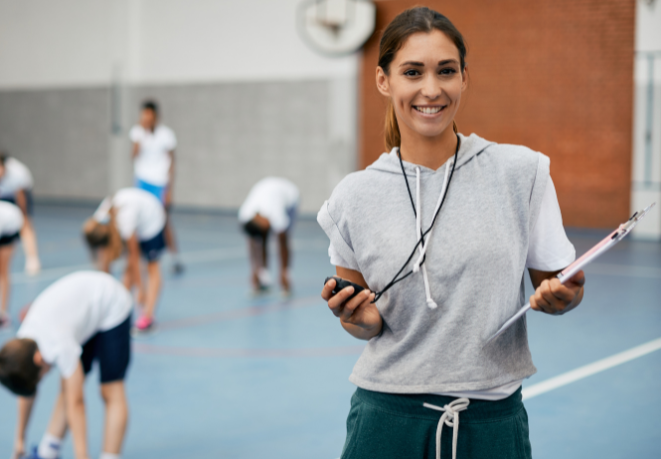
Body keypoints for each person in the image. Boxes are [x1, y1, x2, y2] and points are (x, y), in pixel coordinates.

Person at [317, 7, 585, 459]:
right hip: (385, 425)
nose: (431, 88)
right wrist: (355, 319)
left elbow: (560, 287)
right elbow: (366, 321)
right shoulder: (352, 197)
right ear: (384, 81)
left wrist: (566, 296)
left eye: (446, 71)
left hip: (491, 425)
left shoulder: (522, 173)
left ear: (464, 78)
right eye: (412, 72)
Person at [0, 271, 131, 459]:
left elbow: (77, 403)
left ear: (39, 359)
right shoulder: (22, 346)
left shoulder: (58, 343)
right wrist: (19, 439)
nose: (43, 378)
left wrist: (82, 455)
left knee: (110, 389)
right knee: (67, 386)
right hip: (81, 316)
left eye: (40, 377)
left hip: (110, 304)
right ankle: (48, 452)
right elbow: (27, 391)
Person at [83, 188, 166, 332]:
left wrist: (141, 289)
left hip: (151, 219)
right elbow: (106, 262)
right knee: (128, 269)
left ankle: (148, 316)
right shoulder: (98, 222)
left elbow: (134, 257)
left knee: (152, 267)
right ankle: (118, 307)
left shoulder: (125, 221)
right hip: (134, 218)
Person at [129, 100, 183, 274]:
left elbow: (172, 161)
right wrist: (140, 136)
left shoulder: (166, 134)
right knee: (139, 221)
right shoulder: (137, 132)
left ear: (155, 116)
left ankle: (175, 258)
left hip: (159, 183)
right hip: (142, 182)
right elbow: (134, 155)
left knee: (164, 221)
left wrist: (169, 190)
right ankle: (141, 258)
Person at [0, 152, 41, 275]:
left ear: (5, 167)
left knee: (25, 224)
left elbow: (21, 198)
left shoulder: (18, 173)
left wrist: (22, 217)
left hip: (16, 196)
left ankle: (33, 259)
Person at [238, 177, 300, 295]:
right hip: (266, 188)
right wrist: (255, 270)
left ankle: (286, 276)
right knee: (260, 239)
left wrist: (284, 273)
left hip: (291, 198)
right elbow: (253, 242)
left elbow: (283, 242)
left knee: (284, 235)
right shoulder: (244, 214)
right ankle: (264, 276)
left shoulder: (275, 212)